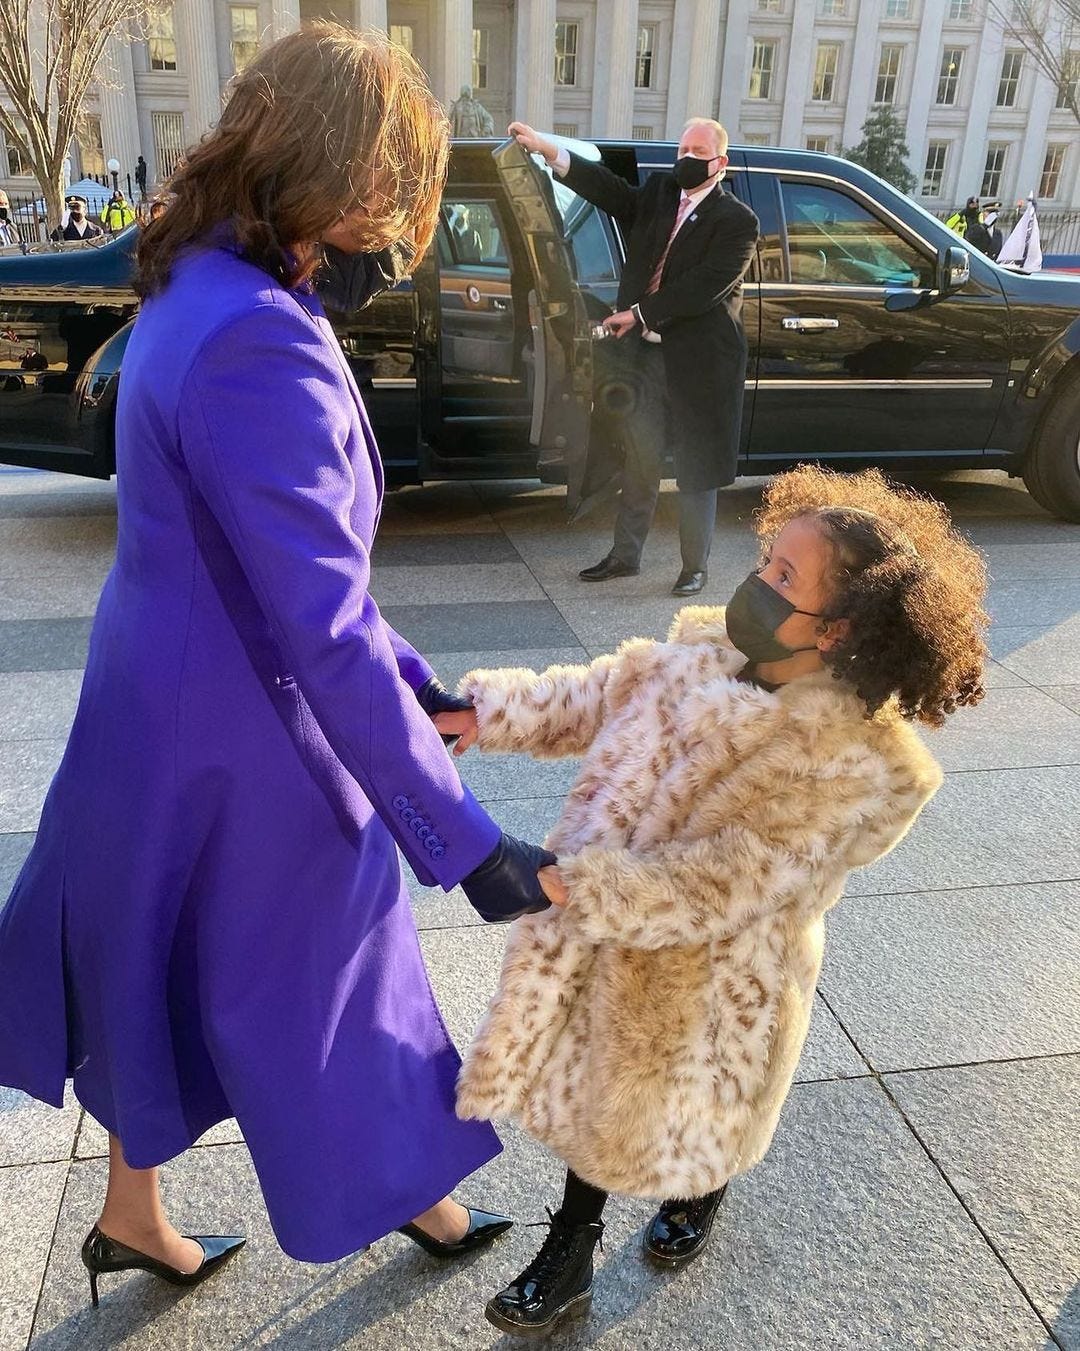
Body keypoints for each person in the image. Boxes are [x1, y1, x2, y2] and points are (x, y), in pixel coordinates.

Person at [0, 22, 560, 1306]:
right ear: (340, 180)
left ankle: (137, 1216)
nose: (398, 229)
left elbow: (275, 566)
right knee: (342, 962)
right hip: (247, 738)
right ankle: (424, 1193)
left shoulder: (198, 281)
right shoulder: (262, 333)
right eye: (392, 196)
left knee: (153, 952)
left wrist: (416, 680)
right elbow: (318, 620)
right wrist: (466, 841)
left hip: (160, 708)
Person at [437, 464, 989, 1336]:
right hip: (612, 926)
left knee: (698, 1099)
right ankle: (573, 1241)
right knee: (599, 1102)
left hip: (719, 969)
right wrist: (485, 713)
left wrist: (558, 880)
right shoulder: (705, 651)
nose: (755, 583)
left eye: (783, 578)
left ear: (839, 629)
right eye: (766, 558)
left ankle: (705, 1181)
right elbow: (602, 693)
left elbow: (717, 884)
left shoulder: (846, 762)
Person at [508, 118, 759, 597]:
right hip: (644, 358)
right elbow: (611, 191)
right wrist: (548, 150)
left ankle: (693, 568)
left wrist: (639, 312)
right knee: (640, 456)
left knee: (696, 467)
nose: (686, 156)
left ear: (719, 163)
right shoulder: (663, 193)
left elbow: (705, 287)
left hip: (700, 367)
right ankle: (625, 556)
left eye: (698, 150)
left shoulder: (738, 221)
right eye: (683, 147)